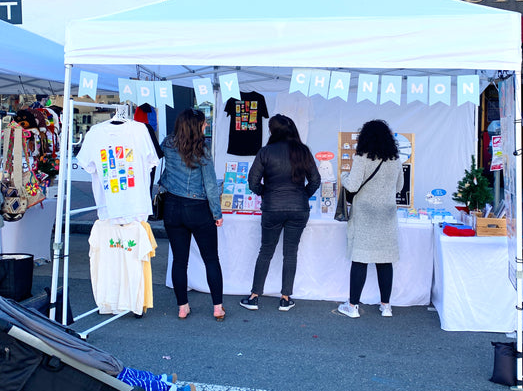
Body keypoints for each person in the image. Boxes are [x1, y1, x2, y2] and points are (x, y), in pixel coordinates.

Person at [240, 114, 321, 312]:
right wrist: (302, 195)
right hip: (298, 208)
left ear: (272, 131)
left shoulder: (265, 152)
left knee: (266, 251)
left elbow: (252, 182)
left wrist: (267, 194)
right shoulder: (303, 151)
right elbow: (316, 180)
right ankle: (285, 298)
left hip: (273, 207)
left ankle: (254, 296)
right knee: (290, 253)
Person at [159, 108, 225, 321]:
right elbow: (211, 185)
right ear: (197, 126)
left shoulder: (168, 144)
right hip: (198, 208)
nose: (206, 126)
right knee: (211, 260)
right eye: (204, 123)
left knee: (179, 260)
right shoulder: (202, 150)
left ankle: (182, 307)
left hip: (172, 206)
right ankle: (217, 307)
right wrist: (217, 213)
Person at [337, 119, 404, 319]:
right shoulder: (395, 160)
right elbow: (399, 187)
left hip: (365, 215)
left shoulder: (361, 158)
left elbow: (353, 185)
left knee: (360, 260)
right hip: (387, 216)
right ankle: (386, 306)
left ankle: (353, 306)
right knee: (385, 261)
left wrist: (343, 176)